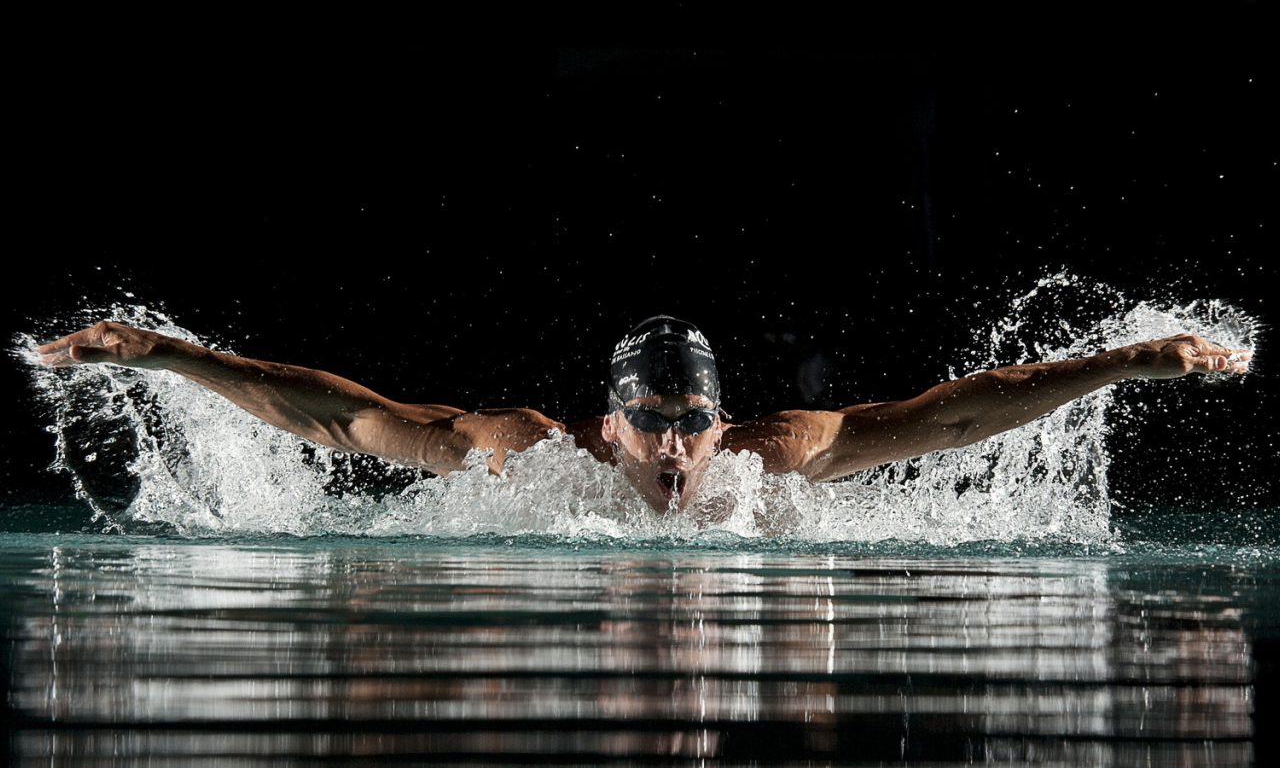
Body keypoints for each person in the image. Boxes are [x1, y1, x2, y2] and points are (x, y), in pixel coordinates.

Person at [36, 315, 1251, 513]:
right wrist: (164, 356)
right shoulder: (530, 455)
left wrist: (1126, 363)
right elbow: (337, 420)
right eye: (650, 423)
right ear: (603, 424)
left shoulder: (771, 460)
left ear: (722, 422)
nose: (673, 449)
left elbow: (951, 418)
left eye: (691, 422)